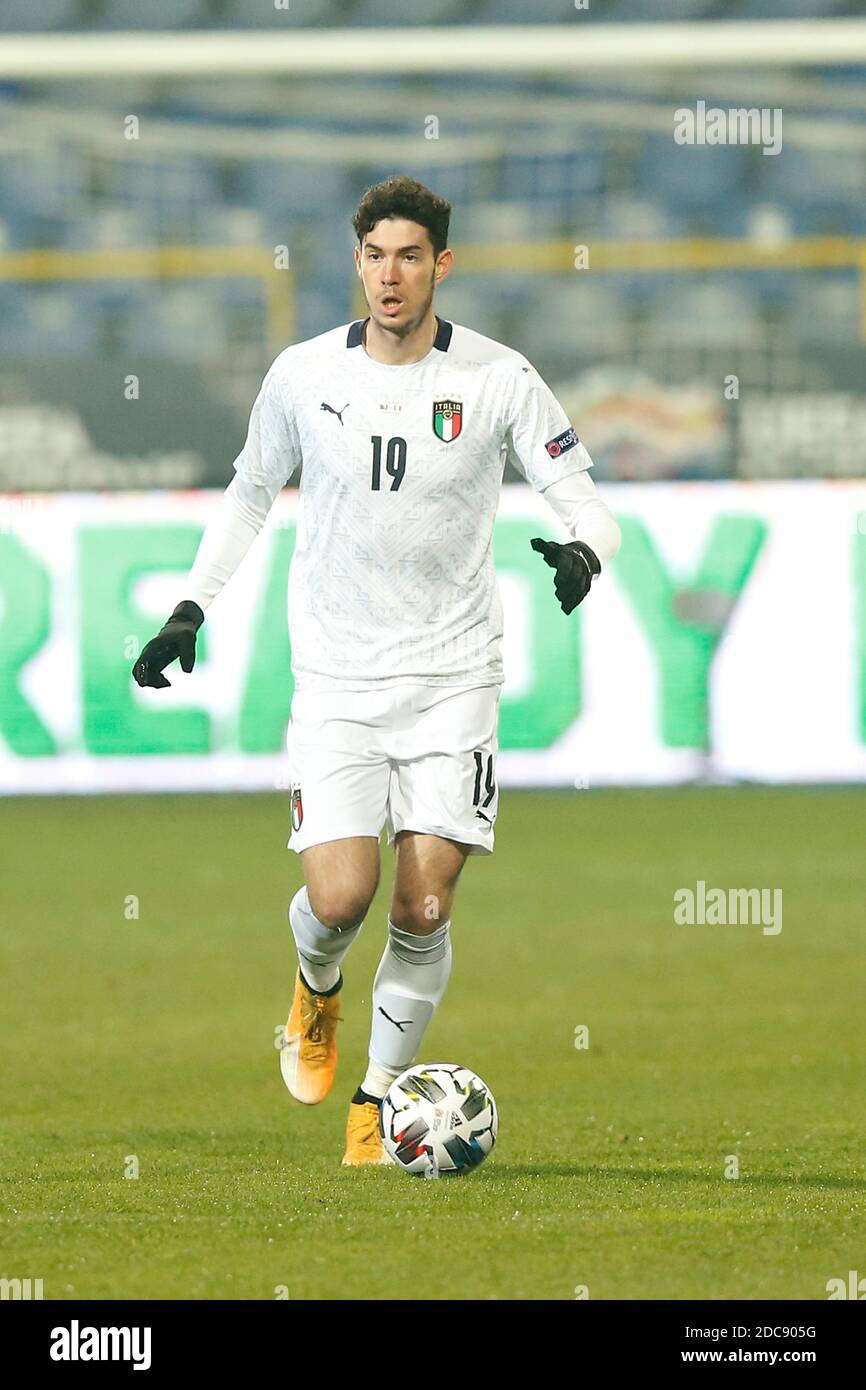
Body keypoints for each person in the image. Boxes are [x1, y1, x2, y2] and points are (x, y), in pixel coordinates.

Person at [132, 174, 621, 1166]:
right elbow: (247, 495)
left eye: (408, 256)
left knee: (422, 903)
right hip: (341, 683)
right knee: (343, 898)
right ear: (354, 263)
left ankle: (376, 1102)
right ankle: (313, 992)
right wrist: (189, 607)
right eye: (372, 256)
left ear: (440, 265)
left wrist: (583, 554)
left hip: (453, 678)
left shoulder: (497, 378)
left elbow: (588, 503)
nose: (388, 276)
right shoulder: (303, 375)